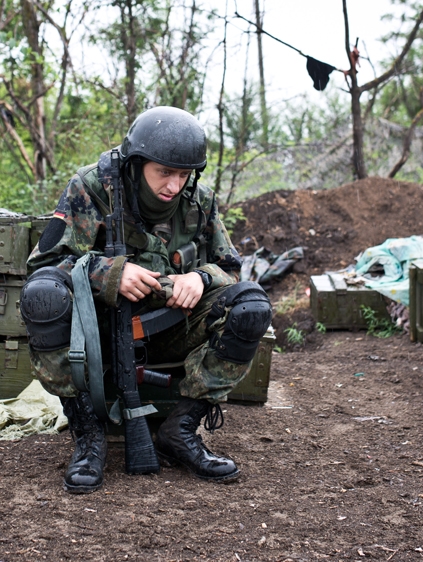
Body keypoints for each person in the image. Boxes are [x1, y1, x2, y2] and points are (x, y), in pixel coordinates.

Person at [19, 106, 273, 494]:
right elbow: (45, 264)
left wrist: (201, 278)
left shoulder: (198, 200)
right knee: (43, 296)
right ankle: (88, 436)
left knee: (250, 307)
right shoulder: (92, 188)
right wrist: (108, 272)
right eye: (164, 172)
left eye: (184, 174)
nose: (174, 185)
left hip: (172, 322)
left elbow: (231, 267)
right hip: (96, 332)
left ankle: (181, 430)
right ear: (138, 164)